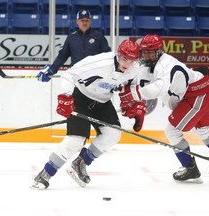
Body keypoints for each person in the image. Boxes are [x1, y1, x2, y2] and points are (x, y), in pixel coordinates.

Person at [119, 34, 209, 184]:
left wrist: (130, 95)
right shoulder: (148, 64)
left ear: (159, 51)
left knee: (172, 131)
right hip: (197, 92)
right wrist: (131, 98)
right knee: (201, 129)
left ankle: (190, 169)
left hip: (198, 93)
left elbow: (156, 89)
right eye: (144, 52)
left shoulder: (166, 64)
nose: (147, 55)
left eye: (150, 52)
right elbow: (142, 86)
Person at [31, 39, 147, 189]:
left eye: (132, 60)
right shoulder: (99, 62)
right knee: (75, 141)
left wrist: (134, 103)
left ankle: (80, 163)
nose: (127, 63)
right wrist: (66, 97)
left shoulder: (135, 68)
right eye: (124, 58)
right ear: (118, 54)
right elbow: (68, 75)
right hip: (81, 97)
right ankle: (45, 174)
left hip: (103, 101)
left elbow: (131, 86)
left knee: (113, 134)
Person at [37, 9, 111, 82]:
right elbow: (62, 56)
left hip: (94, 77)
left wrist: (111, 74)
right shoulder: (71, 37)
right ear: (77, 21)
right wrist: (52, 69)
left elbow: (108, 56)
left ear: (90, 21)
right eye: (82, 20)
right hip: (76, 76)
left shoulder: (99, 36)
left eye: (87, 20)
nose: (85, 23)